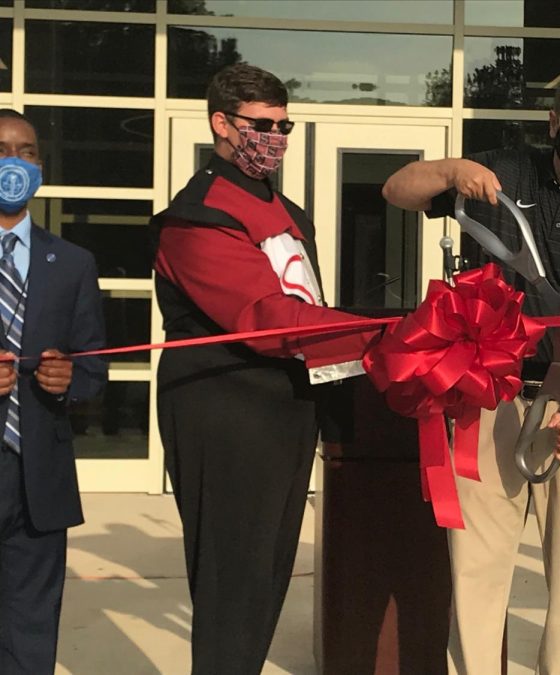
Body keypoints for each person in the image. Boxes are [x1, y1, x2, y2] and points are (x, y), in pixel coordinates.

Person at [382, 69, 560, 674]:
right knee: (476, 567)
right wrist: (451, 172)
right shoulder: (505, 174)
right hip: (487, 399)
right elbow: (397, 190)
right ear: (553, 126)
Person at [151, 64, 377, 674]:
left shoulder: (291, 211)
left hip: (285, 410)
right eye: (261, 125)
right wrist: (377, 332)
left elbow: (305, 302)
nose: (274, 138)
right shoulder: (196, 217)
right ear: (221, 124)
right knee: (234, 576)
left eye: (283, 125)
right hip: (226, 411)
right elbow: (265, 316)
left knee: (267, 571)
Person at [0, 109, 106, 673]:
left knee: (32, 627)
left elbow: (93, 366)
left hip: (39, 476)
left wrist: (69, 381)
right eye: (2, 149)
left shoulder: (71, 263)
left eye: (28, 151)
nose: (14, 162)